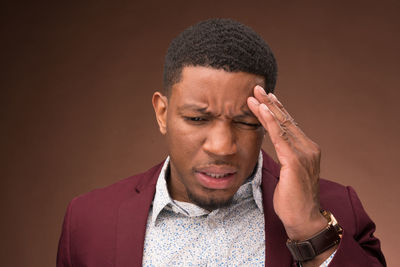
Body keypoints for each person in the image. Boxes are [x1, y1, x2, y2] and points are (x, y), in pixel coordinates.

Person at [57, 18, 386, 266]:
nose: (222, 146)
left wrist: (310, 231)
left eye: (245, 121)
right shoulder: (89, 220)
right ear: (162, 113)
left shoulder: (338, 210)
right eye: (198, 119)